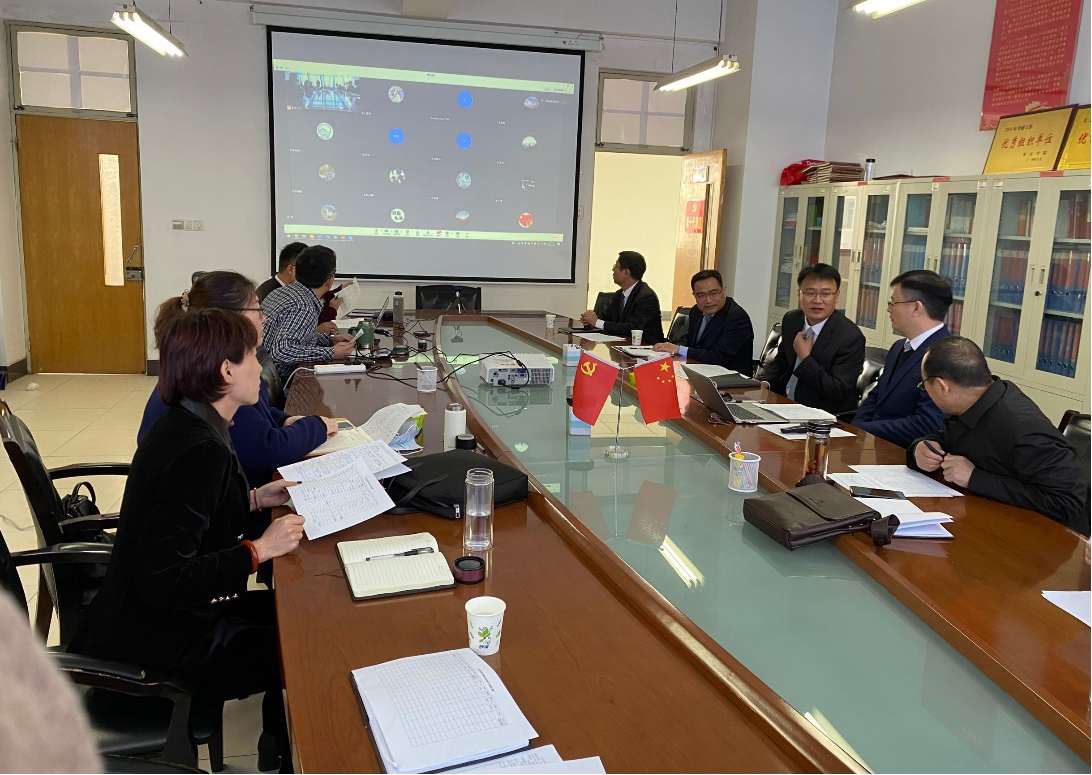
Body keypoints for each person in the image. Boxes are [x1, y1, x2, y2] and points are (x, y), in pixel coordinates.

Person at [72, 309, 308, 772]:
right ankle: (285, 751)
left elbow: (192, 517)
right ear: (226, 371)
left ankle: (276, 742)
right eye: (252, 356)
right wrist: (258, 550)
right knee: (304, 646)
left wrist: (255, 499)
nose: (259, 366)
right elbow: (163, 578)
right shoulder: (200, 447)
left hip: (167, 616)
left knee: (300, 616)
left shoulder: (191, 421)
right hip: (159, 640)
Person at [139, 271, 336, 488]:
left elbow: (255, 417)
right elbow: (265, 450)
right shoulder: (215, 384)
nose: (264, 318)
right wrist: (316, 426)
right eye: (258, 309)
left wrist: (283, 420)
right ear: (232, 317)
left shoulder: (206, 364)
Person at [908, 337, 1087, 534]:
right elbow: (947, 438)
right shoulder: (977, 401)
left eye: (925, 386)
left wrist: (975, 478)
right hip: (988, 520)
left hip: (1042, 538)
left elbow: (1066, 503)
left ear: (942, 387)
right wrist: (921, 447)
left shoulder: (1022, 427)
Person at [852, 270, 952, 446]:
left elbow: (926, 424)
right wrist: (855, 428)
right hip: (874, 447)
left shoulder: (946, 356)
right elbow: (875, 397)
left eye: (893, 303)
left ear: (916, 308)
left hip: (907, 454)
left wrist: (864, 429)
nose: (889, 309)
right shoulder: (899, 347)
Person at [763, 263, 865, 415]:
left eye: (825, 294)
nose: (817, 300)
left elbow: (838, 391)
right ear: (799, 294)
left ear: (837, 296)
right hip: (782, 404)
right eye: (810, 293)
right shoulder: (792, 319)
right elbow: (781, 363)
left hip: (820, 415)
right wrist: (764, 383)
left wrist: (805, 358)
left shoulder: (850, 337)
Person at [262, 245, 354, 381]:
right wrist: (331, 352)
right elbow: (281, 351)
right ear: (329, 280)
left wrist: (329, 340)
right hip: (281, 381)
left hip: (261, 375)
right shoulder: (304, 306)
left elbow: (300, 336)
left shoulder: (282, 292)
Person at [651, 269, 753, 373]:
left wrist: (679, 349)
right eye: (701, 295)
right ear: (694, 295)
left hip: (730, 377)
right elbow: (690, 338)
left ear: (723, 290)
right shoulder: (696, 311)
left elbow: (719, 357)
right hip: (700, 370)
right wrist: (670, 347)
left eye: (713, 293)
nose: (708, 300)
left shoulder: (736, 317)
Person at [579, 251, 664, 344]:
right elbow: (605, 318)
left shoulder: (646, 297)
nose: (613, 269)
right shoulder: (619, 294)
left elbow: (633, 328)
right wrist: (589, 320)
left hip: (645, 348)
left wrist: (597, 322)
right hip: (621, 345)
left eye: (616, 266)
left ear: (626, 273)